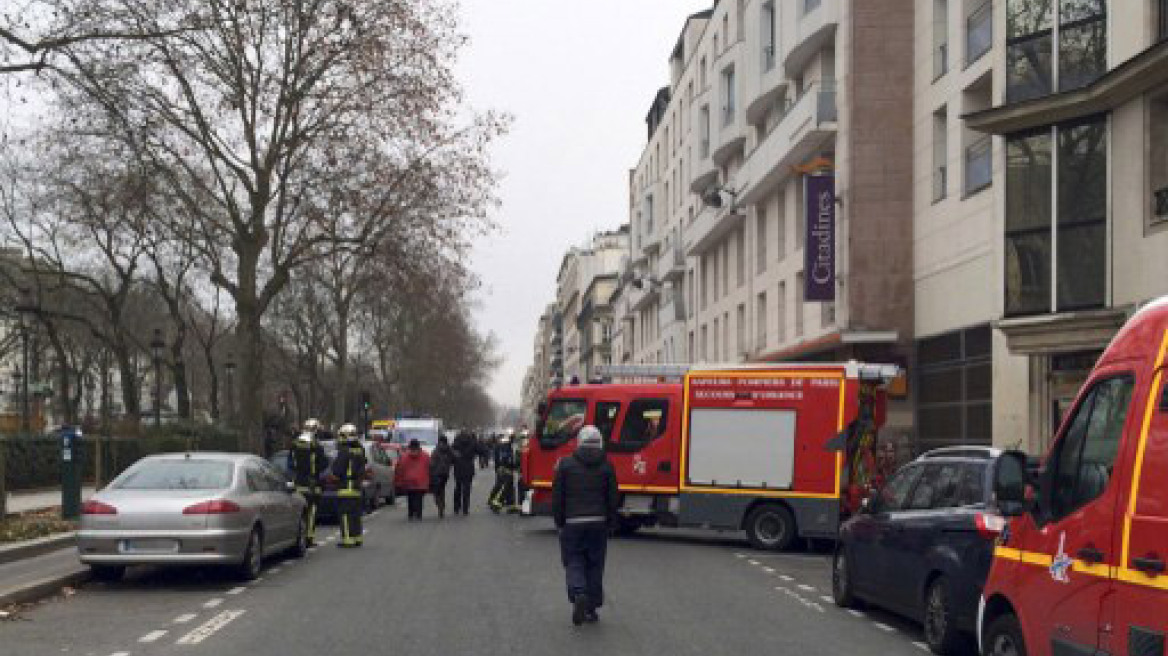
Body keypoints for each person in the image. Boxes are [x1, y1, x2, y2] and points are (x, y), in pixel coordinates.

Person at [552, 425, 618, 626]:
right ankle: (591, 608)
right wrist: (611, 521)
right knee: (595, 565)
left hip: (573, 522)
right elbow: (612, 497)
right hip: (598, 522)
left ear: (579, 442)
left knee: (574, 560)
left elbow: (558, 496)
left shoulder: (565, 465)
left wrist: (559, 520)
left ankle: (578, 592)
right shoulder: (607, 466)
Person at [288, 418, 329, 546]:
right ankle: (309, 538)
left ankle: (295, 538)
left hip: (297, 483)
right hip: (312, 484)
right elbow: (323, 464)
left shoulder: (295, 443)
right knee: (311, 512)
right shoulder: (316, 445)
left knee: (298, 513)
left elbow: (290, 463)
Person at [330, 424, 368, 547]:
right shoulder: (360, 450)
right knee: (356, 515)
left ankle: (347, 539)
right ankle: (358, 538)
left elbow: (337, 470)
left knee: (345, 515)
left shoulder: (344, 451)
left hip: (345, 487)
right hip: (357, 487)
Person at [397, 439, 432, 520]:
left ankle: (411, 513)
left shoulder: (404, 456)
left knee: (410, 497)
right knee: (419, 498)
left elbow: (400, 469)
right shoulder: (426, 456)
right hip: (421, 481)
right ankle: (419, 513)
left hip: (408, 480)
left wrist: (399, 481)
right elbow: (430, 467)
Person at [488, 431, 518, 514]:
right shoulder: (506, 446)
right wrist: (513, 465)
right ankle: (496, 503)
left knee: (509, 488)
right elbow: (506, 458)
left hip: (504, 469)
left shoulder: (505, 444)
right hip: (505, 469)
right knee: (504, 488)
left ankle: (510, 505)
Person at [451, 430, 478, 516]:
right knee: (467, 490)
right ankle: (465, 508)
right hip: (469, 469)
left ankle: (456, 507)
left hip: (458, 468)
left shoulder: (456, 443)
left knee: (458, 488)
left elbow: (451, 456)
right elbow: (482, 450)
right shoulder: (472, 443)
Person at [429, 435, 454, 519]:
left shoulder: (436, 450)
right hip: (445, 474)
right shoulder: (449, 450)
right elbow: (453, 459)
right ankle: (442, 504)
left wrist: (430, 471)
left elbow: (432, 463)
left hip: (436, 473)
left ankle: (440, 504)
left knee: (436, 491)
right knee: (442, 489)